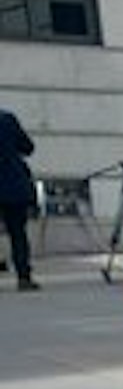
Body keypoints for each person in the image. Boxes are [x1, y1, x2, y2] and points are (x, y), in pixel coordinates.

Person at [0, 106, 37, 291]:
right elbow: (28, 147)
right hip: (12, 184)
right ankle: (24, 277)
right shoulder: (7, 119)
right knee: (18, 233)